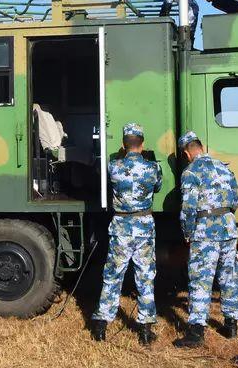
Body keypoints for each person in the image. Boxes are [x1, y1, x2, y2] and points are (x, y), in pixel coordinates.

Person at [89, 123, 163, 345]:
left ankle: (101, 326)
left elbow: (98, 172)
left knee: (112, 276)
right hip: (144, 226)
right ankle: (145, 330)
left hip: (121, 225)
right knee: (145, 277)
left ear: (123, 144)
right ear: (142, 144)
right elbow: (157, 187)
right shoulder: (152, 168)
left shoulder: (113, 167)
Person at [173, 130, 238, 348]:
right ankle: (231, 325)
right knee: (228, 277)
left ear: (186, 153)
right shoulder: (224, 167)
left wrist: (187, 232)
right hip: (228, 229)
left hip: (205, 233)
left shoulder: (190, 172)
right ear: (201, 147)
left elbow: (188, 208)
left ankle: (196, 332)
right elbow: (237, 198)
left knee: (201, 280)